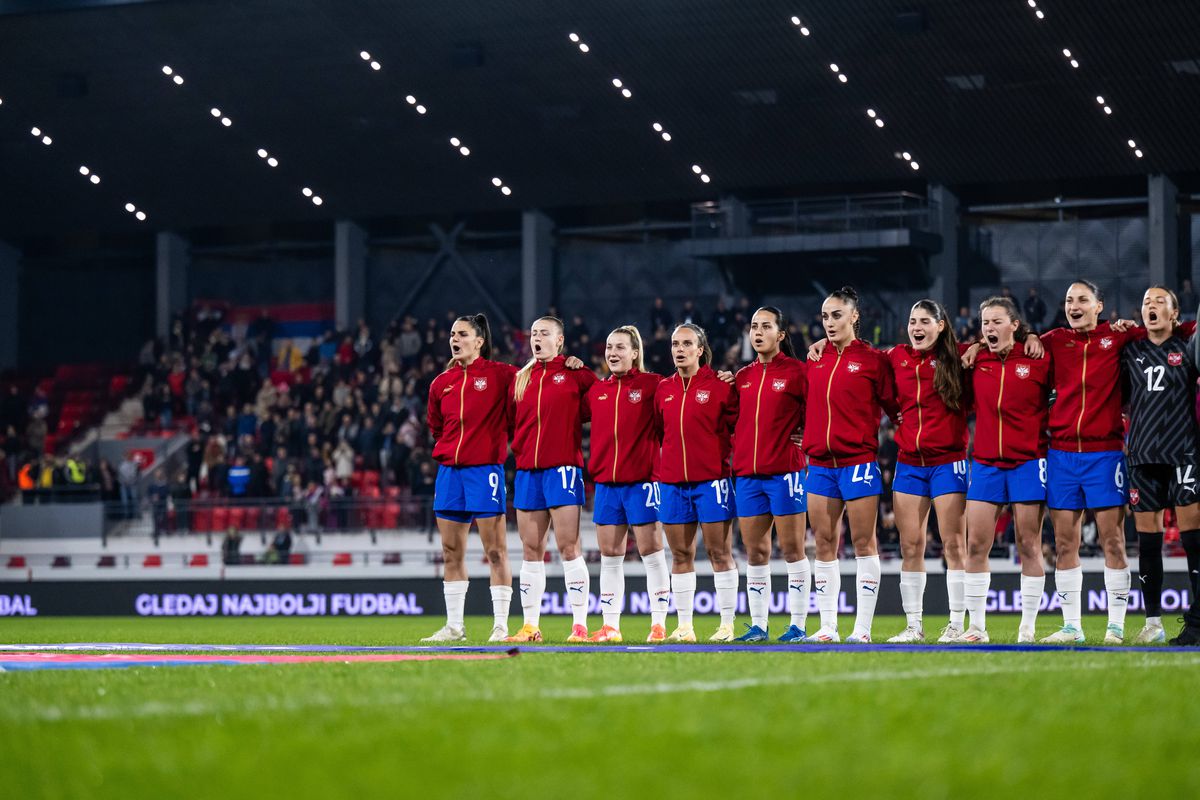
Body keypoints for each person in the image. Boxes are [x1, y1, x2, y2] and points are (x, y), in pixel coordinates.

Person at [1036, 280, 1161, 643]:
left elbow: (1157, 332)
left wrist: (1129, 326)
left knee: (1113, 541)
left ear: (1099, 306)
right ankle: (1071, 626)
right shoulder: (1054, 340)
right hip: (1060, 454)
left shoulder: (1117, 338)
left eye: (1082, 300)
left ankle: (1116, 626)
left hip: (1104, 454)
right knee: (1064, 543)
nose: (1073, 305)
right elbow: (1018, 347)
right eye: (1068, 300)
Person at [802, 287, 897, 643]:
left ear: (854, 317)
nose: (829, 322)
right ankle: (827, 627)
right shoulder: (815, 358)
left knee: (863, 543)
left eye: (837, 315)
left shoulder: (874, 361)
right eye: (825, 316)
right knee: (824, 543)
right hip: (820, 465)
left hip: (858, 461)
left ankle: (863, 629)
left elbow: (896, 410)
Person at [956, 297, 1051, 643]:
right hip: (984, 464)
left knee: (1029, 544)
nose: (990, 328)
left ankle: (1027, 627)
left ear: (1014, 324)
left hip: (1028, 461)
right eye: (985, 323)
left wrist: (1034, 336)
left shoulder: (1037, 357)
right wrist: (976, 345)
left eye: (997, 322)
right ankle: (977, 627)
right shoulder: (976, 358)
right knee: (977, 544)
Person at [420, 314, 518, 643]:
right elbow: (436, 426)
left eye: (462, 334)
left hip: (484, 470)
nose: (455, 339)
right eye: (452, 334)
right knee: (451, 552)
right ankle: (454, 627)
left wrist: (568, 363)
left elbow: (537, 381)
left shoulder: (501, 375)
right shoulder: (440, 383)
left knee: (495, 551)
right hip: (450, 473)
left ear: (479, 342)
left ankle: (501, 625)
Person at [883, 300, 972, 643]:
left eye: (924, 321)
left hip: (948, 462)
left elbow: (990, 346)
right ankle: (914, 626)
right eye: (912, 320)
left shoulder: (961, 357)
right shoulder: (896, 358)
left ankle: (956, 624)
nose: (916, 327)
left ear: (941, 326)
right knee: (911, 546)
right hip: (909, 463)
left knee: (953, 544)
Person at [507, 316, 597, 643]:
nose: (537, 338)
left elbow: (603, 404)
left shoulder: (577, 375)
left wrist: (583, 369)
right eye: (533, 333)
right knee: (531, 549)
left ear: (559, 341)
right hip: (528, 471)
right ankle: (530, 626)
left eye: (544, 333)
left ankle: (579, 625)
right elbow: (509, 422)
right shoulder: (521, 378)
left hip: (562, 468)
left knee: (568, 547)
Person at [582, 326, 671, 643]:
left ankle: (658, 624)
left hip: (643, 483)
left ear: (635, 352)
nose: (613, 352)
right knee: (609, 555)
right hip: (606, 484)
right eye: (608, 347)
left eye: (620, 347)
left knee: (651, 551)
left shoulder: (653, 385)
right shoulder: (596, 391)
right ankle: (610, 626)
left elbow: (669, 422)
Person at [1122, 287, 1200, 643]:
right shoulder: (1131, 349)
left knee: (1193, 540)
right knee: (1148, 544)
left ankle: (1197, 621)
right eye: (1146, 302)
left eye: (1159, 302)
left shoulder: (1188, 347)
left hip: (1183, 452)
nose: (1150, 306)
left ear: (1174, 314)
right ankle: (1152, 623)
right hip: (1142, 456)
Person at [655, 323, 739, 642]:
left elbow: (740, 427)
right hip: (673, 483)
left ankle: (727, 624)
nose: (679, 349)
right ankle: (685, 626)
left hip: (712, 481)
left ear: (700, 350)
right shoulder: (663, 389)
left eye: (686, 343)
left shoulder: (720, 386)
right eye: (675, 343)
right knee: (680, 556)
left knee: (719, 553)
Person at [730, 307, 810, 642]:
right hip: (748, 475)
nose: (758, 332)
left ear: (781, 335)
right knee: (756, 553)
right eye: (753, 327)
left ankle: (798, 625)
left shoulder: (797, 372)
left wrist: (808, 435)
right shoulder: (742, 377)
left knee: (792, 549)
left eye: (766, 326)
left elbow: (818, 409)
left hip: (785, 472)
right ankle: (759, 625)